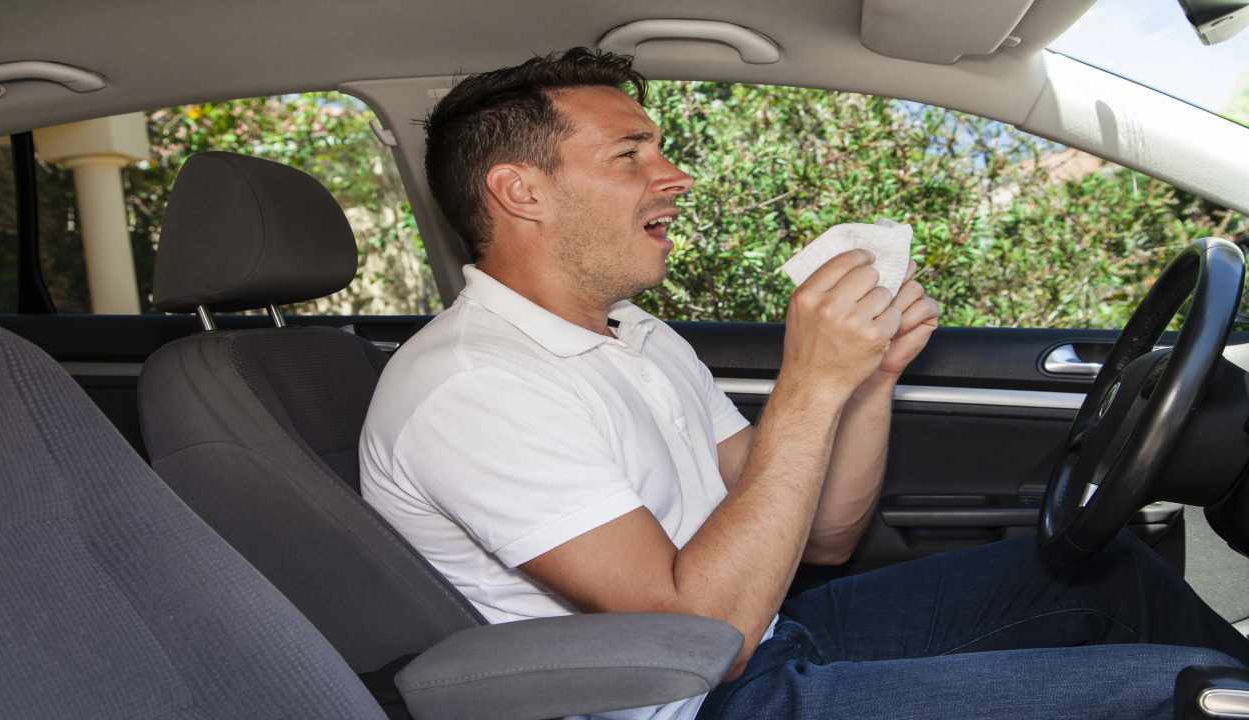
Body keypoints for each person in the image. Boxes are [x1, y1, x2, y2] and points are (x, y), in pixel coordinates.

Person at [359, 47, 1249, 720]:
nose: (675, 176)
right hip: (687, 701)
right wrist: (808, 387)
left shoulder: (637, 336)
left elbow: (821, 536)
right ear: (521, 192)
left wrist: (867, 381)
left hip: (766, 635)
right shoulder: (471, 387)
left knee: (1106, 575)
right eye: (631, 154)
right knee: (1178, 695)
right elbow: (699, 639)